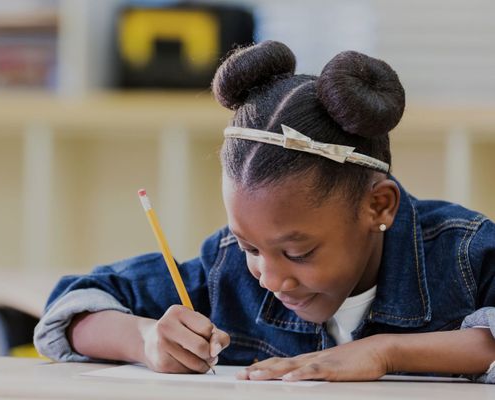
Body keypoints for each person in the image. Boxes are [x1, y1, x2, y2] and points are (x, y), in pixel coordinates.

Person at [33, 41, 495, 382]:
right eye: (251, 245)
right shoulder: (228, 269)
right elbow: (72, 308)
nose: (269, 279)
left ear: (379, 206)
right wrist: (146, 339)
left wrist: (387, 352)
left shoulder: (463, 254)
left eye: (298, 252)